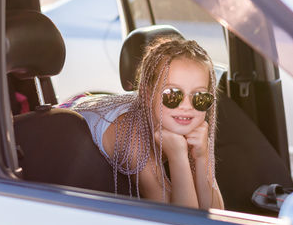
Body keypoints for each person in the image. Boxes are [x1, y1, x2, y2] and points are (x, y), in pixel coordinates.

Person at [70, 36, 224, 210]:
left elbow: (216, 215)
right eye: (172, 94)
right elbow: (180, 224)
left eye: (200, 97)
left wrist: (202, 157)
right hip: (66, 131)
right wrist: (178, 156)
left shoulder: (193, 130)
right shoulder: (132, 136)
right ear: (146, 94)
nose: (187, 107)